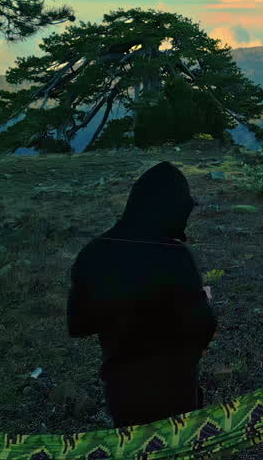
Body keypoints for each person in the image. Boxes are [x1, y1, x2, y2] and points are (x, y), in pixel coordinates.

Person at [67, 161, 217, 428]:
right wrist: (203, 301)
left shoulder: (94, 252)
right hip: (176, 385)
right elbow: (202, 325)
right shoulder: (176, 255)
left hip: (123, 385)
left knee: (132, 443)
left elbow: (79, 324)